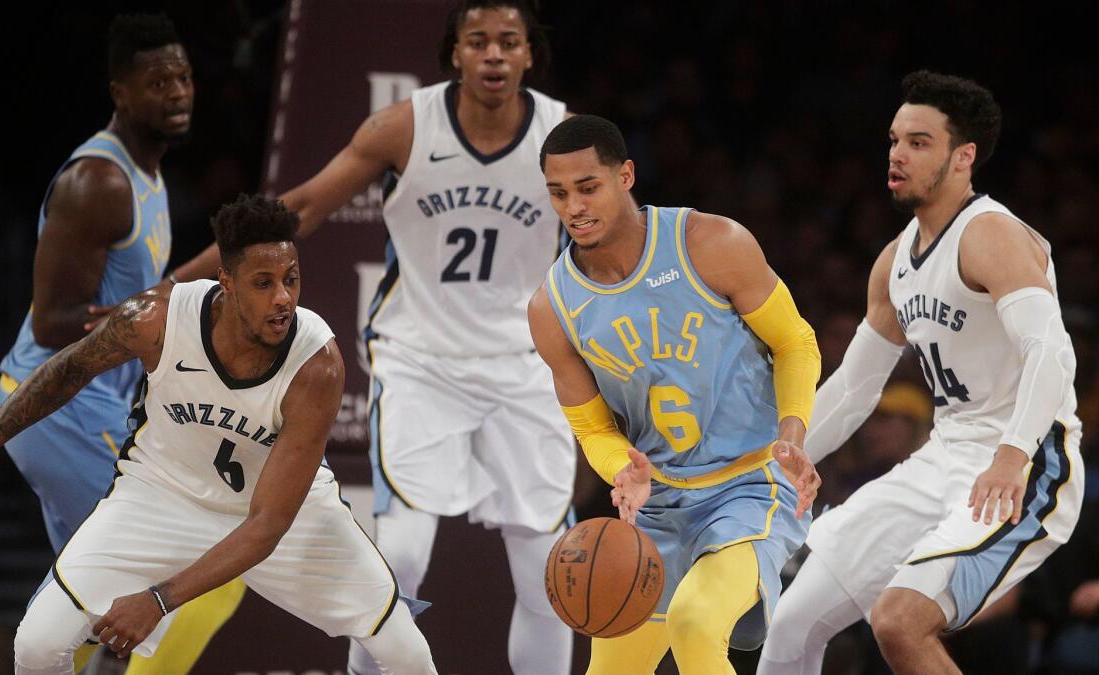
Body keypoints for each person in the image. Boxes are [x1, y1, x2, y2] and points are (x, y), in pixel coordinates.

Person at [178, 3, 576, 673]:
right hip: (421, 360)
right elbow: (299, 208)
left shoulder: (560, 134)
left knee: (546, 573)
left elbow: (612, 242)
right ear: (455, 53)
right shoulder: (403, 126)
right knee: (405, 554)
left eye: (510, 42)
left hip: (525, 366)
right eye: (478, 42)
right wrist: (180, 284)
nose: (494, 55)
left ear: (529, 55)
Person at [0, 194, 438, 675]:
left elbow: (267, 526)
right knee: (37, 647)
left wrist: (157, 601)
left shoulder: (316, 364)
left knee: (407, 653)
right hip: (159, 497)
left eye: (291, 279)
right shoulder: (156, 320)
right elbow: (69, 369)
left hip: (279, 514)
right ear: (225, 283)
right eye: (263, 283)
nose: (283, 298)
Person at [757, 71, 1085, 675]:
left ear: (964, 157)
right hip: (945, 458)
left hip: (1028, 462)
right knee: (790, 620)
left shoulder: (991, 235)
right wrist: (779, 456)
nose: (896, 155)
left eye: (918, 142)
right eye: (893, 140)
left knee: (899, 621)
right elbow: (855, 389)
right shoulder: (893, 263)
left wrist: (1011, 455)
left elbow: (1053, 352)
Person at [528, 114, 822, 674]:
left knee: (697, 623)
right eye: (558, 194)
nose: (574, 207)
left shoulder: (710, 243)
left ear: (626, 176)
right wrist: (623, 469)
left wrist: (792, 431)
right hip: (659, 501)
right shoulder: (553, 307)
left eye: (588, 188)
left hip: (750, 483)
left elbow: (795, 342)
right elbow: (592, 427)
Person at [0, 13, 235, 672]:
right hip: (60, 404)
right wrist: (169, 312)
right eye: (157, 81)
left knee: (85, 602)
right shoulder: (97, 183)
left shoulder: (150, 176)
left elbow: (137, 301)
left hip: (83, 402)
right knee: (211, 557)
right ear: (119, 93)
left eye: (183, 77)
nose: (178, 91)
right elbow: (53, 321)